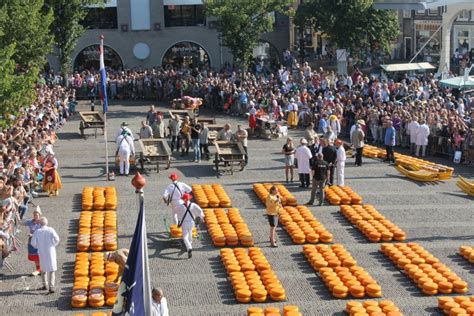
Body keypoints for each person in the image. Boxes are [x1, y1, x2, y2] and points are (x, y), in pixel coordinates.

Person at [31, 217, 60, 293]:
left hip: (41, 251)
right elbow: (57, 239)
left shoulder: (37, 232)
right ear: (47, 223)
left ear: (40, 224)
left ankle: (45, 285)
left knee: (43, 269)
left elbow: (33, 243)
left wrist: (38, 247)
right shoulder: (51, 230)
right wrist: (53, 245)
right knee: (52, 269)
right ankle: (51, 286)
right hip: (50, 251)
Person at [175, 193, 204, 258]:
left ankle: (189, 248)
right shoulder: (193, 205)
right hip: (191, 222)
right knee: (190, 232)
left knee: (185, 237)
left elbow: (175, 212)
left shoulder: (180, 206)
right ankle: (190, 243)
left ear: (183, 199)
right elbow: (200, 211)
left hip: (184, 223)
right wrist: (202, 217)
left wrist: (178, 220)